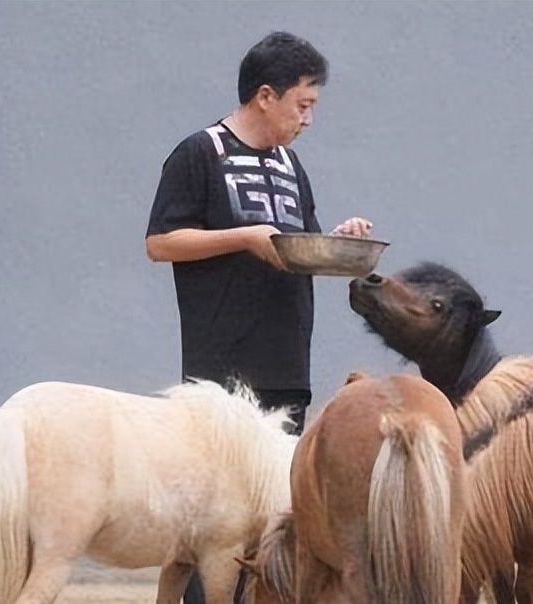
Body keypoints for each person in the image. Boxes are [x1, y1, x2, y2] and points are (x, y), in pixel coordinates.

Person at [146, 30, 370, 604]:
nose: (308, 119)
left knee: (273, 517)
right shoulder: (200, 152)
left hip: (286, 364)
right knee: (215, 517)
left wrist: (338, 240)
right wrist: (243, 236)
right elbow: (161, 242)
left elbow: (298, 246)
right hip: (220, 374)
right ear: (265, 95)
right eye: (303, 104)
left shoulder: (292, 165)